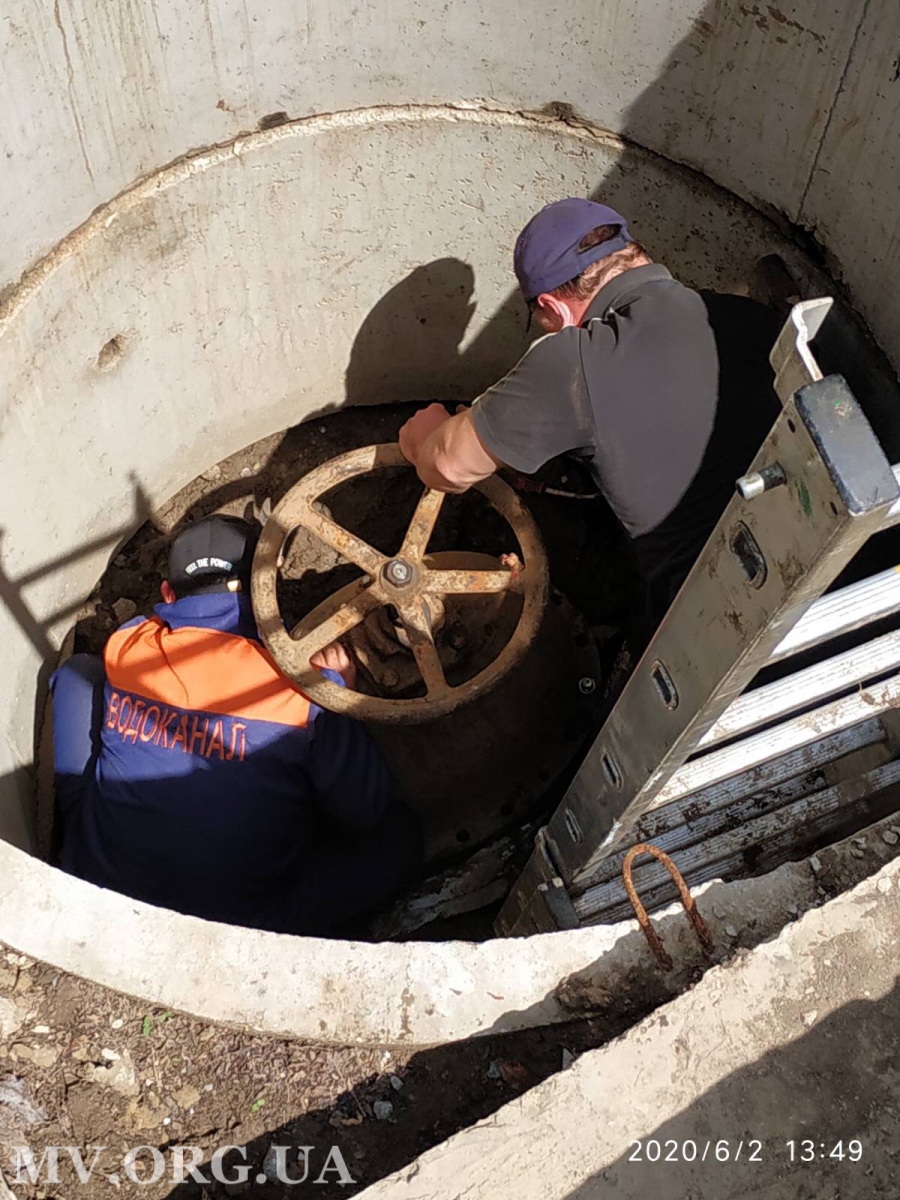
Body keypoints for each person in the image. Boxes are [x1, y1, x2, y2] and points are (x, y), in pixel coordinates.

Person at [398, 198, 782, 633]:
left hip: (722, 628)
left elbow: (447, 466)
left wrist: (424, 436)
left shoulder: (575, 362)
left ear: (555, 308)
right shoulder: (751, 318)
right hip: (827, 586)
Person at [50, 515, 422, 936]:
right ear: (264, 590)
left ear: (168, 593)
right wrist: (338, 695)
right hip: (235, 928)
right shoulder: (301, 691)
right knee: (399, 838)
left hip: (99, 890)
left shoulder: (129, 643)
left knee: (79, 673)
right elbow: (362, 812)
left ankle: (77, 835)